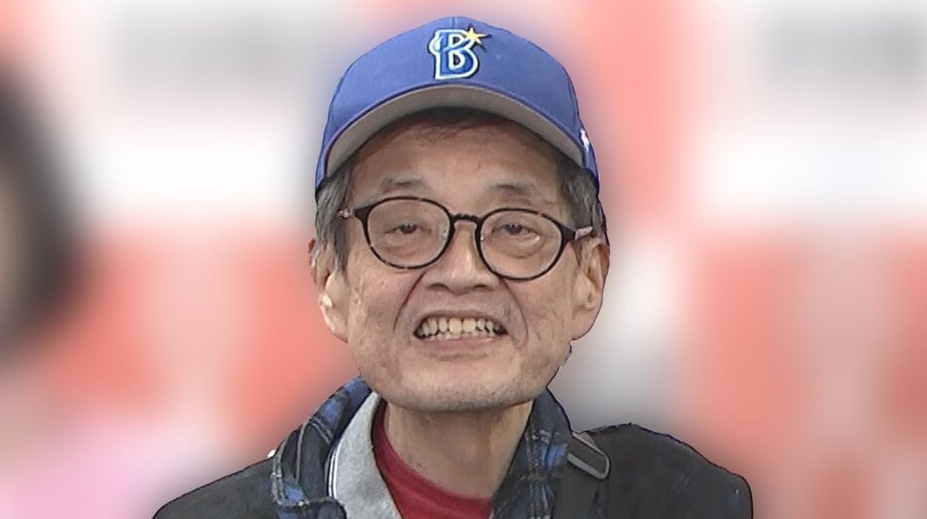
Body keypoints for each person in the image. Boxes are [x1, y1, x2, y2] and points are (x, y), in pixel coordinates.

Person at [155, 16, 752, 518]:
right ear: (330, 278)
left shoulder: (682, 502)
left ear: (589, 279)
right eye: (406, 227)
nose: (462, 271)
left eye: (514, 227)